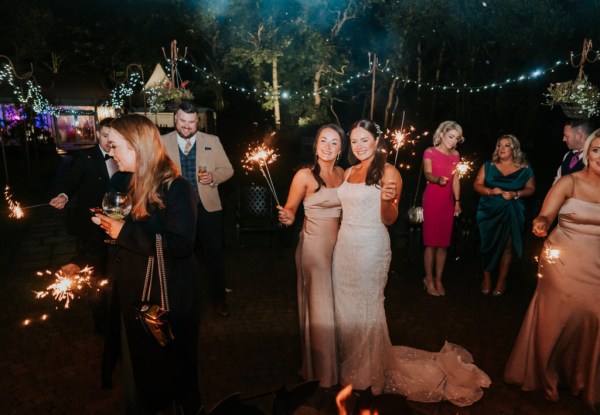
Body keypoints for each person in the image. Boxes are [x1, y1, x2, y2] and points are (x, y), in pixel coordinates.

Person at [332, 120, 490, 405]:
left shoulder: (389, 171)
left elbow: (390, 219)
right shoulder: (348, 171)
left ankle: (367, 373)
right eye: (354, 141)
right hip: (344, 248)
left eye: (364, 140)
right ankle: (349, 361)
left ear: (377, 141)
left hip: (371, 246)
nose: (358, 146)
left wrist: (386, 200)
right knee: (345, 308)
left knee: (367, 307)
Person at [94, 114, 201, 414]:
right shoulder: (128, 182)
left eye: (116, 146)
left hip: (163, 303)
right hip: (133, 295)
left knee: (171, 374)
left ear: (136, 146)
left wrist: (123, 232)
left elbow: (181, 245)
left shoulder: (177, 189)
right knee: (143, 375)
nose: (111, 153)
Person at [504, 128, 600, 411]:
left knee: (593, 316)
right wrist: (541, 223)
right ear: (587, 153)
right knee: (560, 313)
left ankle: (580, 377)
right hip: (563, 258)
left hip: (597, 263)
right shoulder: (569, 182)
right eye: (596, 150)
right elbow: (546, 214)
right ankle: (546, 374)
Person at [277, 124, 345, 387]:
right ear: (315, 145)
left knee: (337, 307)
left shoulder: (343, 174)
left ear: (341, 148)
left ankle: (337, 361)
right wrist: (287, 216)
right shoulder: (304, 175)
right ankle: (322, 372)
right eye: (323, 141)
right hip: (314, 248)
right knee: (320, 309)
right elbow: (291, 210)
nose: (328, 147)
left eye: (334, 142)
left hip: (339, 247)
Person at [161, 101, 234, 317]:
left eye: (191, 122)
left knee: (214, 257)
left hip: (207, 209)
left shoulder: (212, 141)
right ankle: (180, 301)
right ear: (175, 119)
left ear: (197, 122)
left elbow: (228, 169)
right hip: (176, 211)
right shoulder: (162, 142)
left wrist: (214, 177)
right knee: (178, 258)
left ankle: (219, 300)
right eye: (183, 121)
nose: (187, 126)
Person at [49, 117, 118, 333]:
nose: (108, 141)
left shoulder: (122, 156)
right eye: (105, 135)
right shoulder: (85, 157)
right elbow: (71, 180)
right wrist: (64, 195)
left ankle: (117, 313)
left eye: (112, 137)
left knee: (113, 272)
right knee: (94, 274)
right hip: (90, 228)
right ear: (98, 134)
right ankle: (101, 322)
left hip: (116, 225)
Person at [473, 134, 535, 296]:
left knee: (507, 246)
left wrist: (516, 193)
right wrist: (490, 191)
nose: (501, 148)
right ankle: (486, 278)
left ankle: (501, 279)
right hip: (489, 210)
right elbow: (477, 184)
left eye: (506, 145)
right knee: (488, 245)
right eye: (499, 145)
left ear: (514, 148)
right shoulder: (489, 165)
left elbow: (531, 189)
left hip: (512, 210)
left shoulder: (525, 168)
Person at [421, 121, 464, 296]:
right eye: (451, 136)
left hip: (447, 203)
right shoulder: (430, 152)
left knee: (443, 245)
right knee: (430, 244)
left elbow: (456, 180)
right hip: (432, 200)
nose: (453, 141)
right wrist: (437, 179)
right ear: (442, 135)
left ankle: (439, 280)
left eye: (456, 138)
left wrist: (458, 202)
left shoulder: (456, 155)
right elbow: (428, 173)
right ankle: (428, 279)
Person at [553, 118, 594, 184]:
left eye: (566, 136)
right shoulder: (567, 155)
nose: (563, 139)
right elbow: (558, 180)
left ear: (580, 136)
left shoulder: (594, 159)